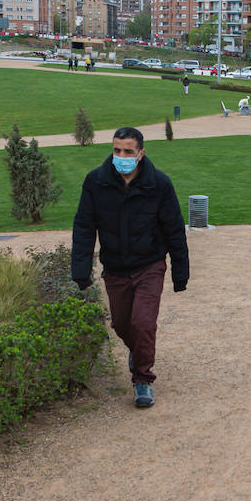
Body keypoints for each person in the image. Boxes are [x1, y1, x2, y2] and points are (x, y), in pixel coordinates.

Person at [72, 127, 190, 409]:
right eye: (116, 150)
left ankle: (142, 380)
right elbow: (85, 227)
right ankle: (137, 352)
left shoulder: (159, 184)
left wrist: (180, 271)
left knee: (143, 323)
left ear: (140, 154)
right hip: (115, 267)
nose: (121, 156)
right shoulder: (95, 182)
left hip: (149, 264)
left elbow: (174, 229)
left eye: (127, 151)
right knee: (122, 323)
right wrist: (80, 270)